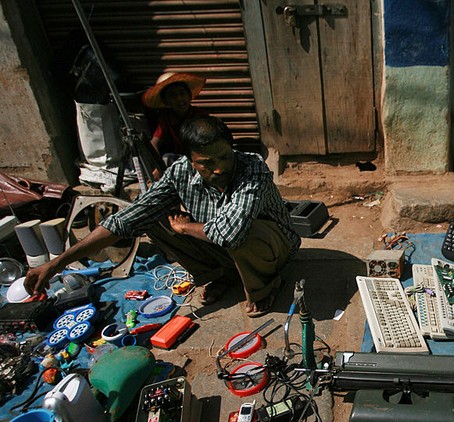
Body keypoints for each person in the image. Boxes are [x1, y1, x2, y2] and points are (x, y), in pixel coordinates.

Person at [25, 115, 301, 318]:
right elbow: (126, 219)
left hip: (275, 248)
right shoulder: (180, 172)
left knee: (242, 230)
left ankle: (264, 287)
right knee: (152, 220)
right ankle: (223, 274)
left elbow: (229, 233)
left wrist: (186, 228)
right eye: (207, 163)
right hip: (224, 244)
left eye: (225, 157)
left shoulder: (252, 169)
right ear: (191, 161)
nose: (219, 169)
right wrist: (57, 264)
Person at [142, 72, 208, 160]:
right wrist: (158, 164)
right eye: (172, 96)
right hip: (178, 159)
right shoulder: (166, 119)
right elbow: (154, 142)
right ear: (166, 101)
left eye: (182, 93)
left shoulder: (200, 115)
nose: (179, 99)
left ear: (189, 95)